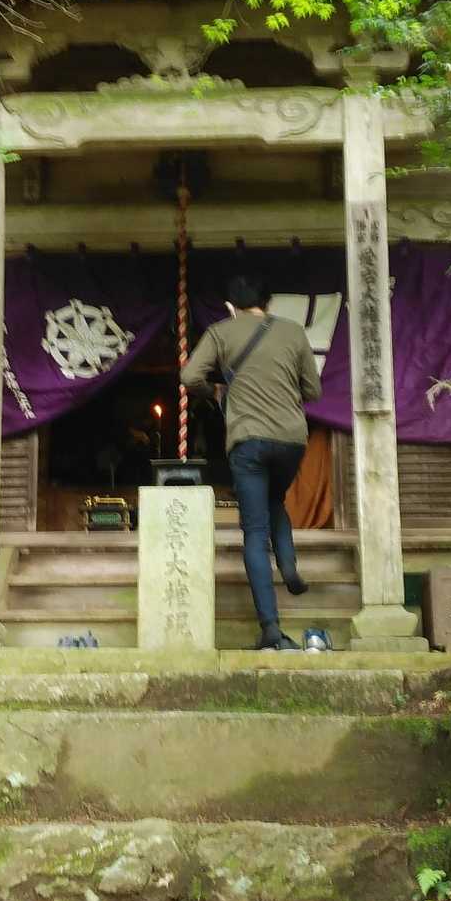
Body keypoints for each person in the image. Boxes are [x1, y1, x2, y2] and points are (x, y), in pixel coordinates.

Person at [182, 274, 321, 650]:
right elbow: (313, 389)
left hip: (247, 440)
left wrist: (214, 390)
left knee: (255, 532)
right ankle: (289, 566)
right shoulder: (292, 332)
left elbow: (189, 376)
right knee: (275, 498)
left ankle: (271, 629)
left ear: (230, 306)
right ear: (268, 303)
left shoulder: (220, 332)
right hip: (291, 439)